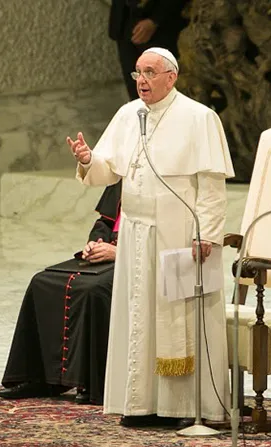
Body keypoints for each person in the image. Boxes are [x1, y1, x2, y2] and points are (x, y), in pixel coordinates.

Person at [66, 47, 234, 427]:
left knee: (178, 320)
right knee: (138, 318)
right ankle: (140, 404)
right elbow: (108, 170)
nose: (142, 80)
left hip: (180, 235)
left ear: (171, 77)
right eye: (137, 73)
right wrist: (87, 158)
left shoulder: (199, 117)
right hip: (137, 235)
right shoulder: (129, 115)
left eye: (150, 72)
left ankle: (183, 408)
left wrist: (205, 233)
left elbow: (211, 186)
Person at [0, 182, 122, 405]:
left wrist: (119, 252)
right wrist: (95, 242)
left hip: (136, 256)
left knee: (93, 289)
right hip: (106, 253)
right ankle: (39, 376)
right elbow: (105, 221)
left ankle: (91, 382)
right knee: (42, 282)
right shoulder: (126, 170)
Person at [109, 0, 189, 101]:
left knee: (163, 88)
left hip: (161, 27)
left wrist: (155, 20)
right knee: (135, 86)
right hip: (124, 20)